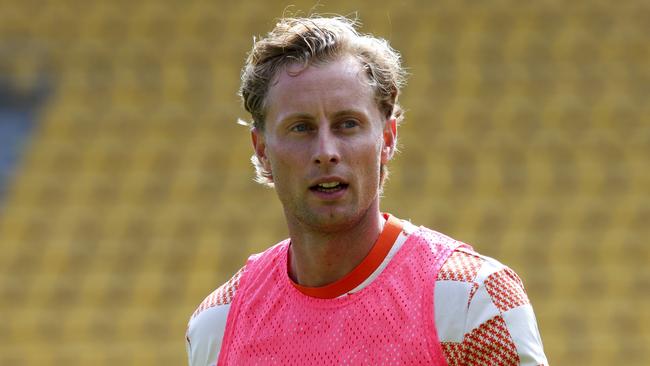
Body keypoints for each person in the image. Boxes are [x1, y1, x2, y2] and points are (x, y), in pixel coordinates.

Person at [186, 16, 547, 365]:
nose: (326, 151)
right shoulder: (218, 325)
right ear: (261, 149)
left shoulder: (472, 299)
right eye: (301, 127)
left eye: (347, 124)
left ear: (387, 139)